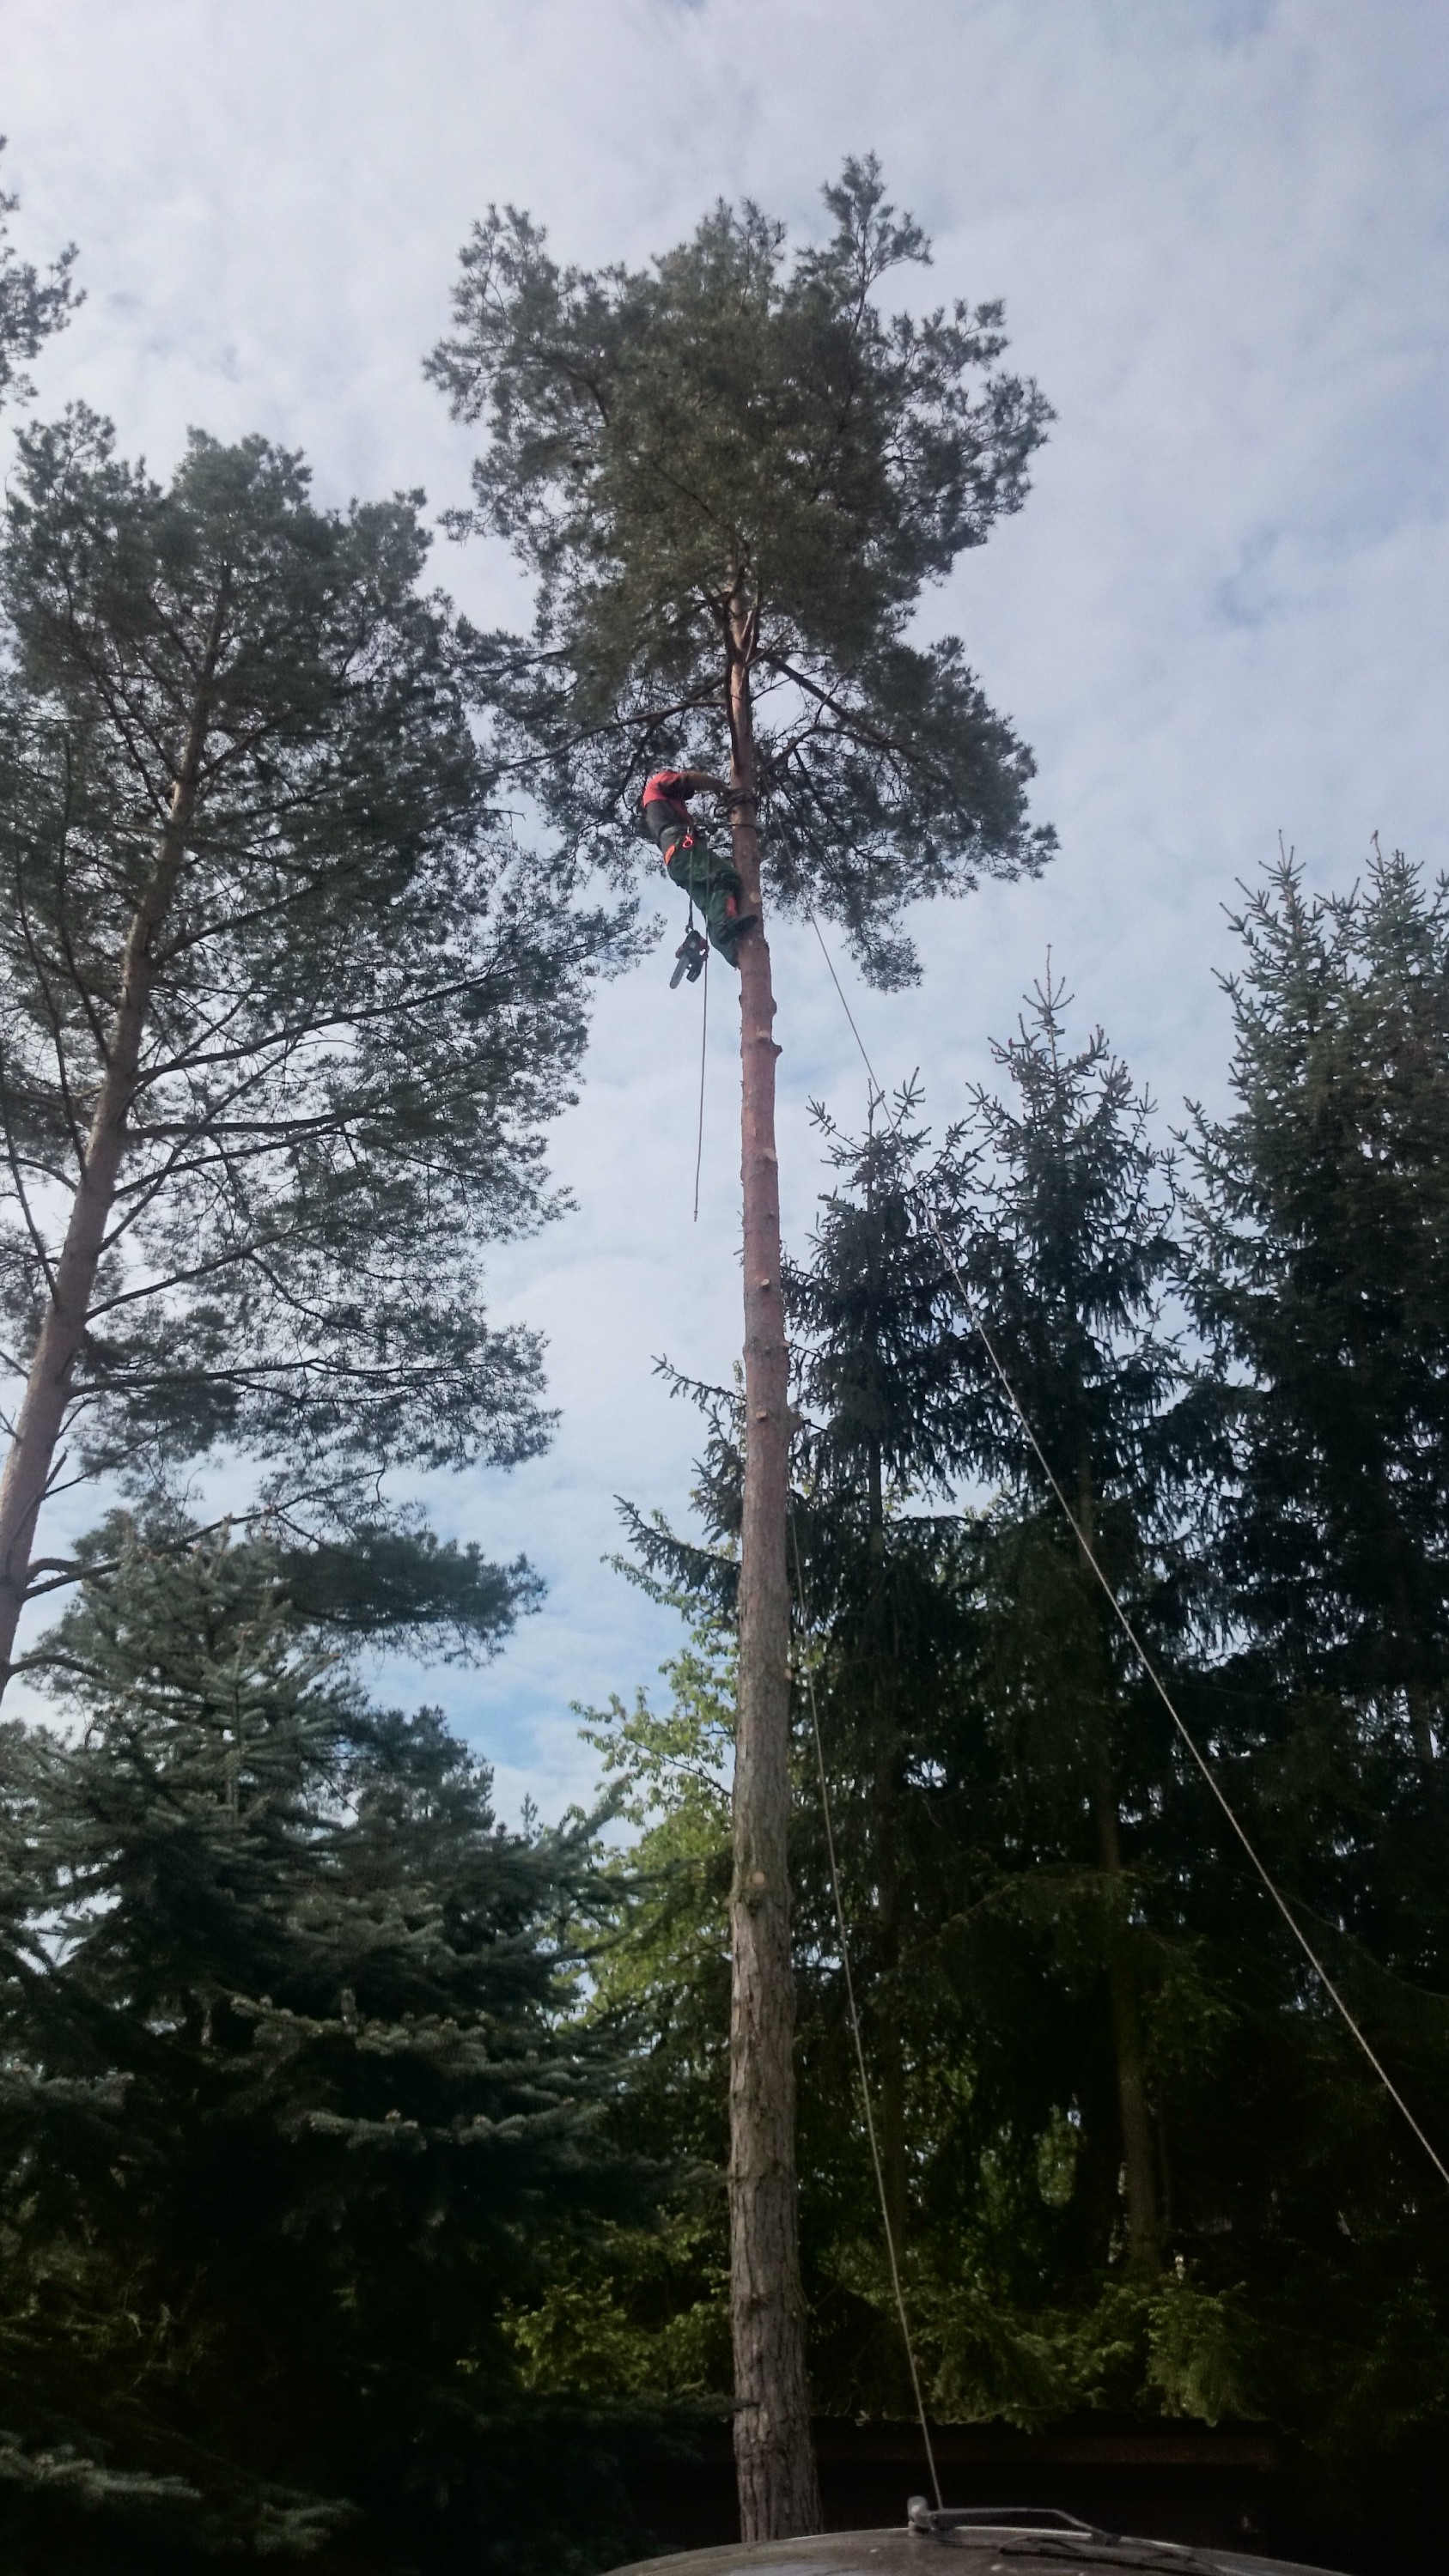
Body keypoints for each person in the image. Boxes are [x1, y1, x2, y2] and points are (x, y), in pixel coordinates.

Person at [642, 768, 758, 980]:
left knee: (711, 903)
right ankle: (725, 927)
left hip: (676, 859)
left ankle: (733, 950)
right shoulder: (658, 782)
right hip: (681, 848)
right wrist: (721, 787)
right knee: (725, 877)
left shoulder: (659, 809)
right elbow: (688, 779)